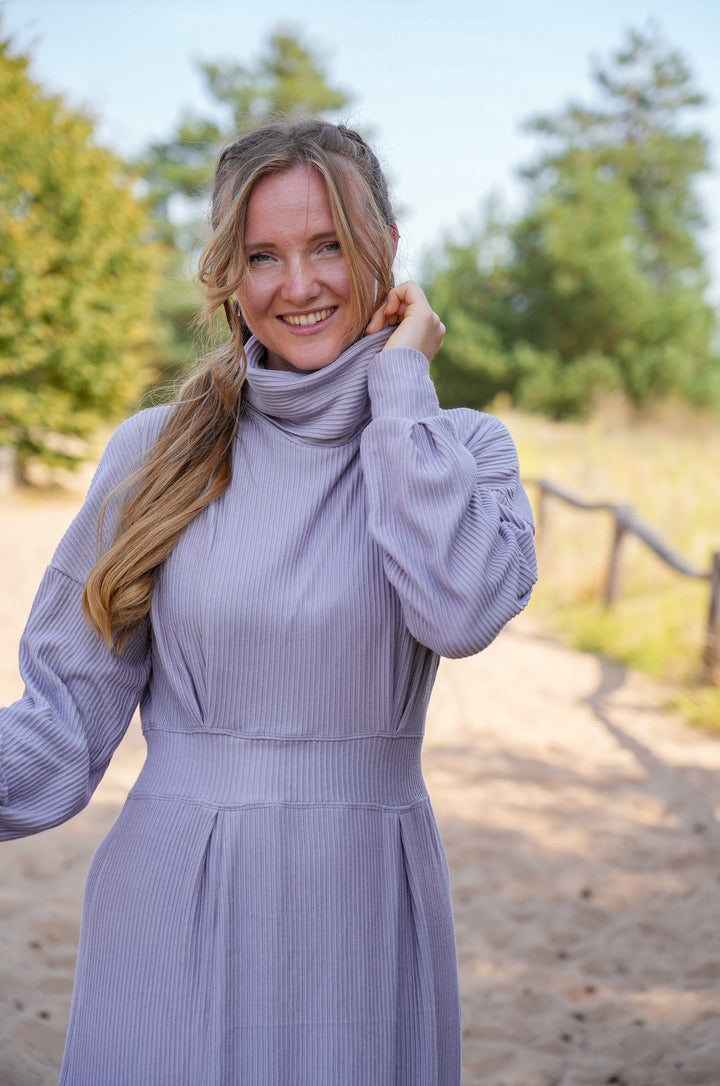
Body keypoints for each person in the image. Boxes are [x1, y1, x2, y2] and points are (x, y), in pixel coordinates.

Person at [0, 119, 537, 1085]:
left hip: (363, 909)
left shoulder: (462, 450)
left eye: (328, 244)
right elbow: (63, 727)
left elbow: (459, 612)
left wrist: (402, 379)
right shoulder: (155, 453)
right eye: (263, 255)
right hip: (173, 897)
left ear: (386, 250)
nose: (298, 285)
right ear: (229, 275)